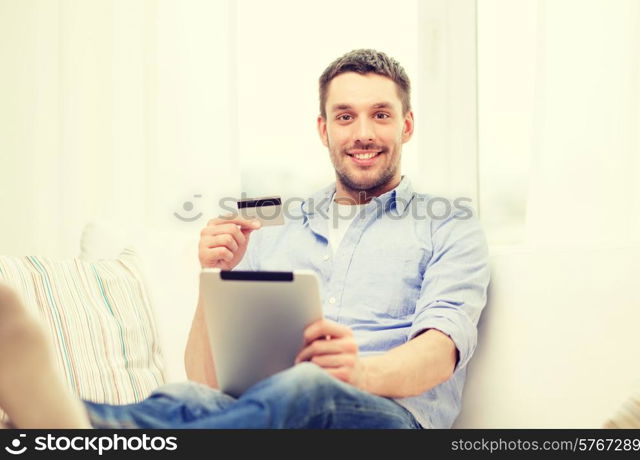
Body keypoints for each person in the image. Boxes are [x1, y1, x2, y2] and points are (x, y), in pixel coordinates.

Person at [0, 49, 489, 429]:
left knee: (308, 389)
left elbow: (438, 353)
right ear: (323, 130)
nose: (362, 132)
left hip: (391, 419)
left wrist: (356, 373)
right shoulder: (274, 224)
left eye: (380, 114)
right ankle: (67, 420)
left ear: (406, 125)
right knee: (188, 398)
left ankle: (73, 426)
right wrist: (215, 276)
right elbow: (209, 380)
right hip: (266, 413)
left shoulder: (448, 222)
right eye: (345, 116)